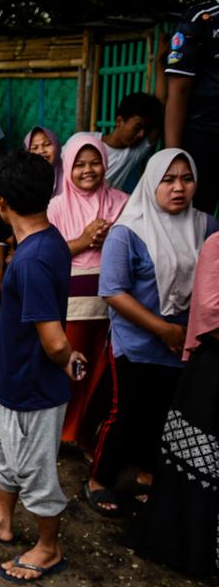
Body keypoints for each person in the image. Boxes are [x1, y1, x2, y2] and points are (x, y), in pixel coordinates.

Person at [0, 150, 81, 584]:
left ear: (3, 203)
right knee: (6, 459)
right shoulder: (48, 241)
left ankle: (48, 548)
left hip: (33, 391)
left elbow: (54, 340)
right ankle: (2, 521)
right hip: (13, 381)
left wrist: (69, 359)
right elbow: (30, 314)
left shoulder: (30, 260)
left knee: (36, 471)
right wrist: (3, 336)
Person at [84, 149, 218, 517]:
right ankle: (100, 478)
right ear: (151, 182)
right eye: (168, 179)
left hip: (184, 344)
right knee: (124, 412)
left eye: (186, 179)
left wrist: (185, 334)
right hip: (137, 341)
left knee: (165, 413)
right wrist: (161, 329)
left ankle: (147, 473)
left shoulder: (206, 227)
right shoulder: (128, 231)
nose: (179, 188)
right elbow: (112, 291)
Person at [135, 232, 219, 576]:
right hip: (213, 373)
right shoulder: (217, 244)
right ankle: (187, 551)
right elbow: (211, 314)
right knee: (200, 462)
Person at [46, 134, 128, 449]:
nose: (88, 170)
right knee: (71, 366)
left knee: (100, 371)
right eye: (79, 164)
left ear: (105, 164)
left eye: (95, 162)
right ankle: (61, 432)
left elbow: (132, 248)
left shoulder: (122, 202)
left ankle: (83, 432)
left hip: (114, 302)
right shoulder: (55, 207)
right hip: (73, 303)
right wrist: (82, 241)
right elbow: (48, 253)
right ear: (68, 167)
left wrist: (112, 242)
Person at [0, 126, 63, 292]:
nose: (41, 151)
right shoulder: (16, 179)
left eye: (46, 144)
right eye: (34, 147)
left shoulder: (72, 180)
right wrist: (11, 239)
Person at [164, 0, 219, 215]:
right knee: (192, 218)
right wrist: (173, 156)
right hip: (203, 140)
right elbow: (179, 89)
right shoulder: (200, 19)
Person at [94, 92, 162, 193]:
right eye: (137, 127)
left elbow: (162, 107)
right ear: (119, 121)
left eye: (146, 130)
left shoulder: (133, 153)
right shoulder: (84, 140)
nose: (141, 134)